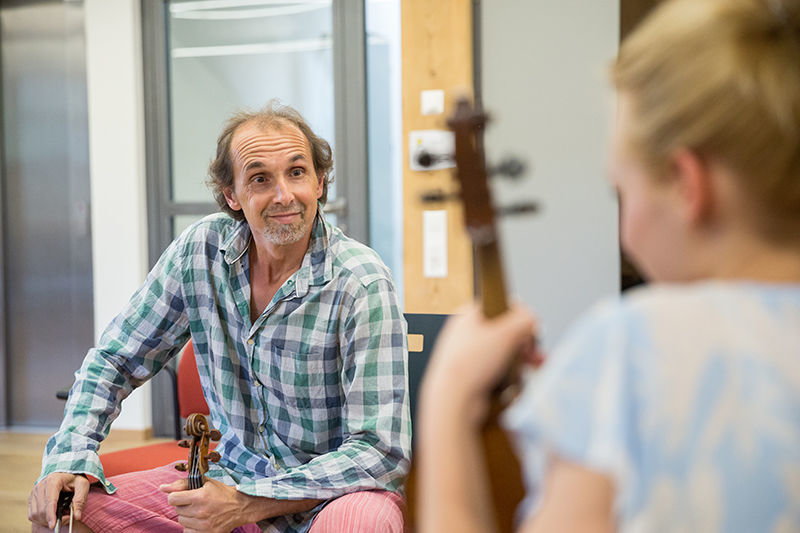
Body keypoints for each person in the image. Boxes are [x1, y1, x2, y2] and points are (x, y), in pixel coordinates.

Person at [418, 0, 800, 531]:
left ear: (688, 184)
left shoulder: (632, 350)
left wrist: (449, 394)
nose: (625, 224)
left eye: (620, 190)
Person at [28, 101, 411, 533]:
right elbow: (115, 359)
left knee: (360, 524)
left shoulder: (361, 282)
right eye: (260, 178)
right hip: (229, 481)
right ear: (232, 194)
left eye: (297, 172)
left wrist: (250, 503)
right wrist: (68, 456)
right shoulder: (201, 251)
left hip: (331, 497)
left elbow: (379, 451)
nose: (284, 194)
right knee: (63, 515)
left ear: (320, 182)